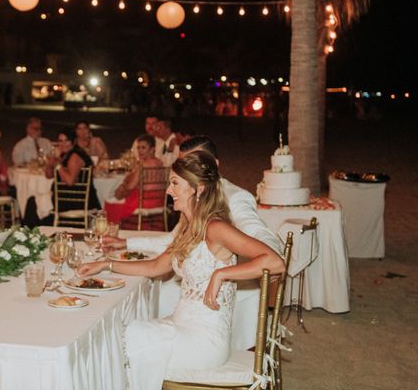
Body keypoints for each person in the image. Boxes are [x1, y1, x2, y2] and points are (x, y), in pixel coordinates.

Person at [78, 151, 284, 389]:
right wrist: (106, 264)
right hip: (180, 327)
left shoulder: (215, 228)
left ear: (199, 189)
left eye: (175, 183)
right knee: (121, 337)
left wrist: (222, 274)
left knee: (130, 342)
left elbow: (275, 261)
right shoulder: (188, 226)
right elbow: (156, 266)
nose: (168, 190)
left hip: (204, 344)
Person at [102, 135, 283, 317]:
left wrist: (268, 262)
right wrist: (124, 246)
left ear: (213, 164)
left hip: (230, 295)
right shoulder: (191, 207)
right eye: (184, 162)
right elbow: (169, 245)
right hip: (192, 291)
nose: (186, 167)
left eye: (193, 162)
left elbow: (257, 231)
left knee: (150, 297)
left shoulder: (235, 198)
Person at [22, 128, 100, 227]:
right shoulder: (64, 155)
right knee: (33, 202)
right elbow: (48, 175)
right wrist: (50, 164)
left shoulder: (75, 156)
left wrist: (58, 165)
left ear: (73, 141)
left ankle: (34, 233)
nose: (63, 144)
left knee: (32, 203)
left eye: (66, 140)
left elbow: (70, 181)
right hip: (66, 198)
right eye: (60, 141)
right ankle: (36, 232)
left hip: (75, 201)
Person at [104, 134, 164, 223]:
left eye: (143, 148)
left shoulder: (143, 165)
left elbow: (130, 187)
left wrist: (123, 185)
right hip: (159, 200)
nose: (140, 151)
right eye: (138, 148)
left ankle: (114, 231)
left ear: (152, 149)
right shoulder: (160, 163)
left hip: (142, 201)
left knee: (109, 204)